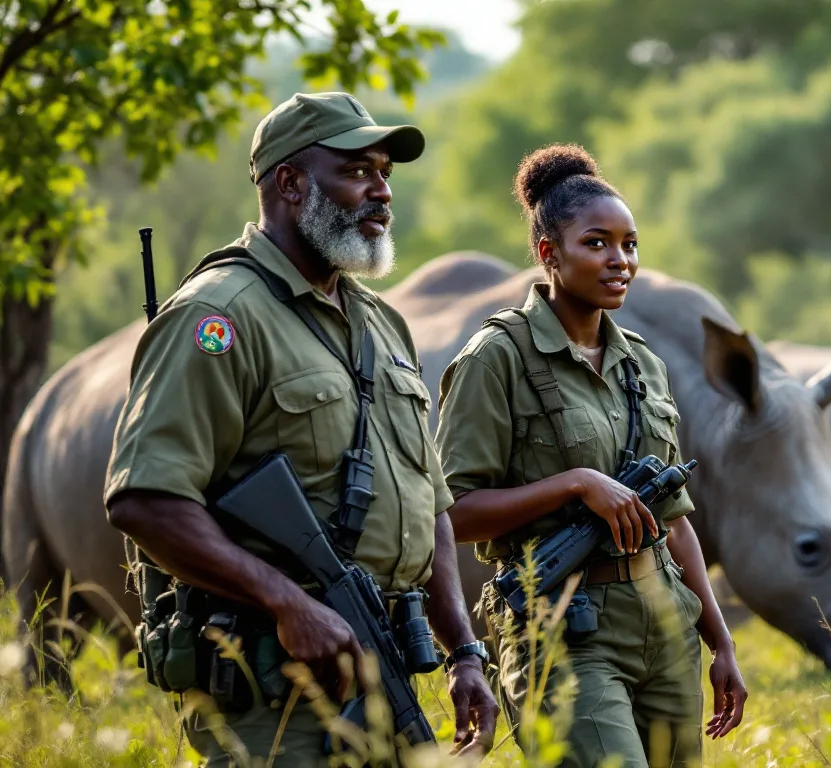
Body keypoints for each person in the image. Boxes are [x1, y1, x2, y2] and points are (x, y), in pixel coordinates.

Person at [104, 92, 498, 766]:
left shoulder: (381, 324)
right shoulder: (219, 315)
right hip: (271, 697)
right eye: (357, 171)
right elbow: (144, 498)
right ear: (289, 183)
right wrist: (288, 603)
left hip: (383, 671)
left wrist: (463, 648)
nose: (381, 191)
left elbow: (427, 500)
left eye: (385, 173)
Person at [434, 144, 747, 768]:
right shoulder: (496, 359)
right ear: (550, 252)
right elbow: (451, 512)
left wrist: (720, 642)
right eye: (598, 243)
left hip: (665, 629)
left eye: (630, 245)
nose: (620, 261)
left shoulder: (644, 364)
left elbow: (674, 518)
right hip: (564, 635)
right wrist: (574, 484)